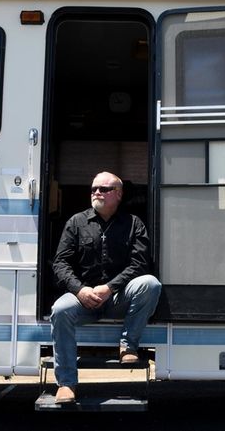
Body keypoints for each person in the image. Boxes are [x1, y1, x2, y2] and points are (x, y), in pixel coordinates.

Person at [50, 172, 162, 404]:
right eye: (93, 189)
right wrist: (80, 290)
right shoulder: (76, 222)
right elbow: (60, 263)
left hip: (118, 297)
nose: (97, 192)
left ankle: (128, 346)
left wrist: (110, 288)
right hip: (84, 298)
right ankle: (66, 384)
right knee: (60, 310)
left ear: (118, 194)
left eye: (103, 188)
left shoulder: (134, 224)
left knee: (150, 284)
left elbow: (140, 264)